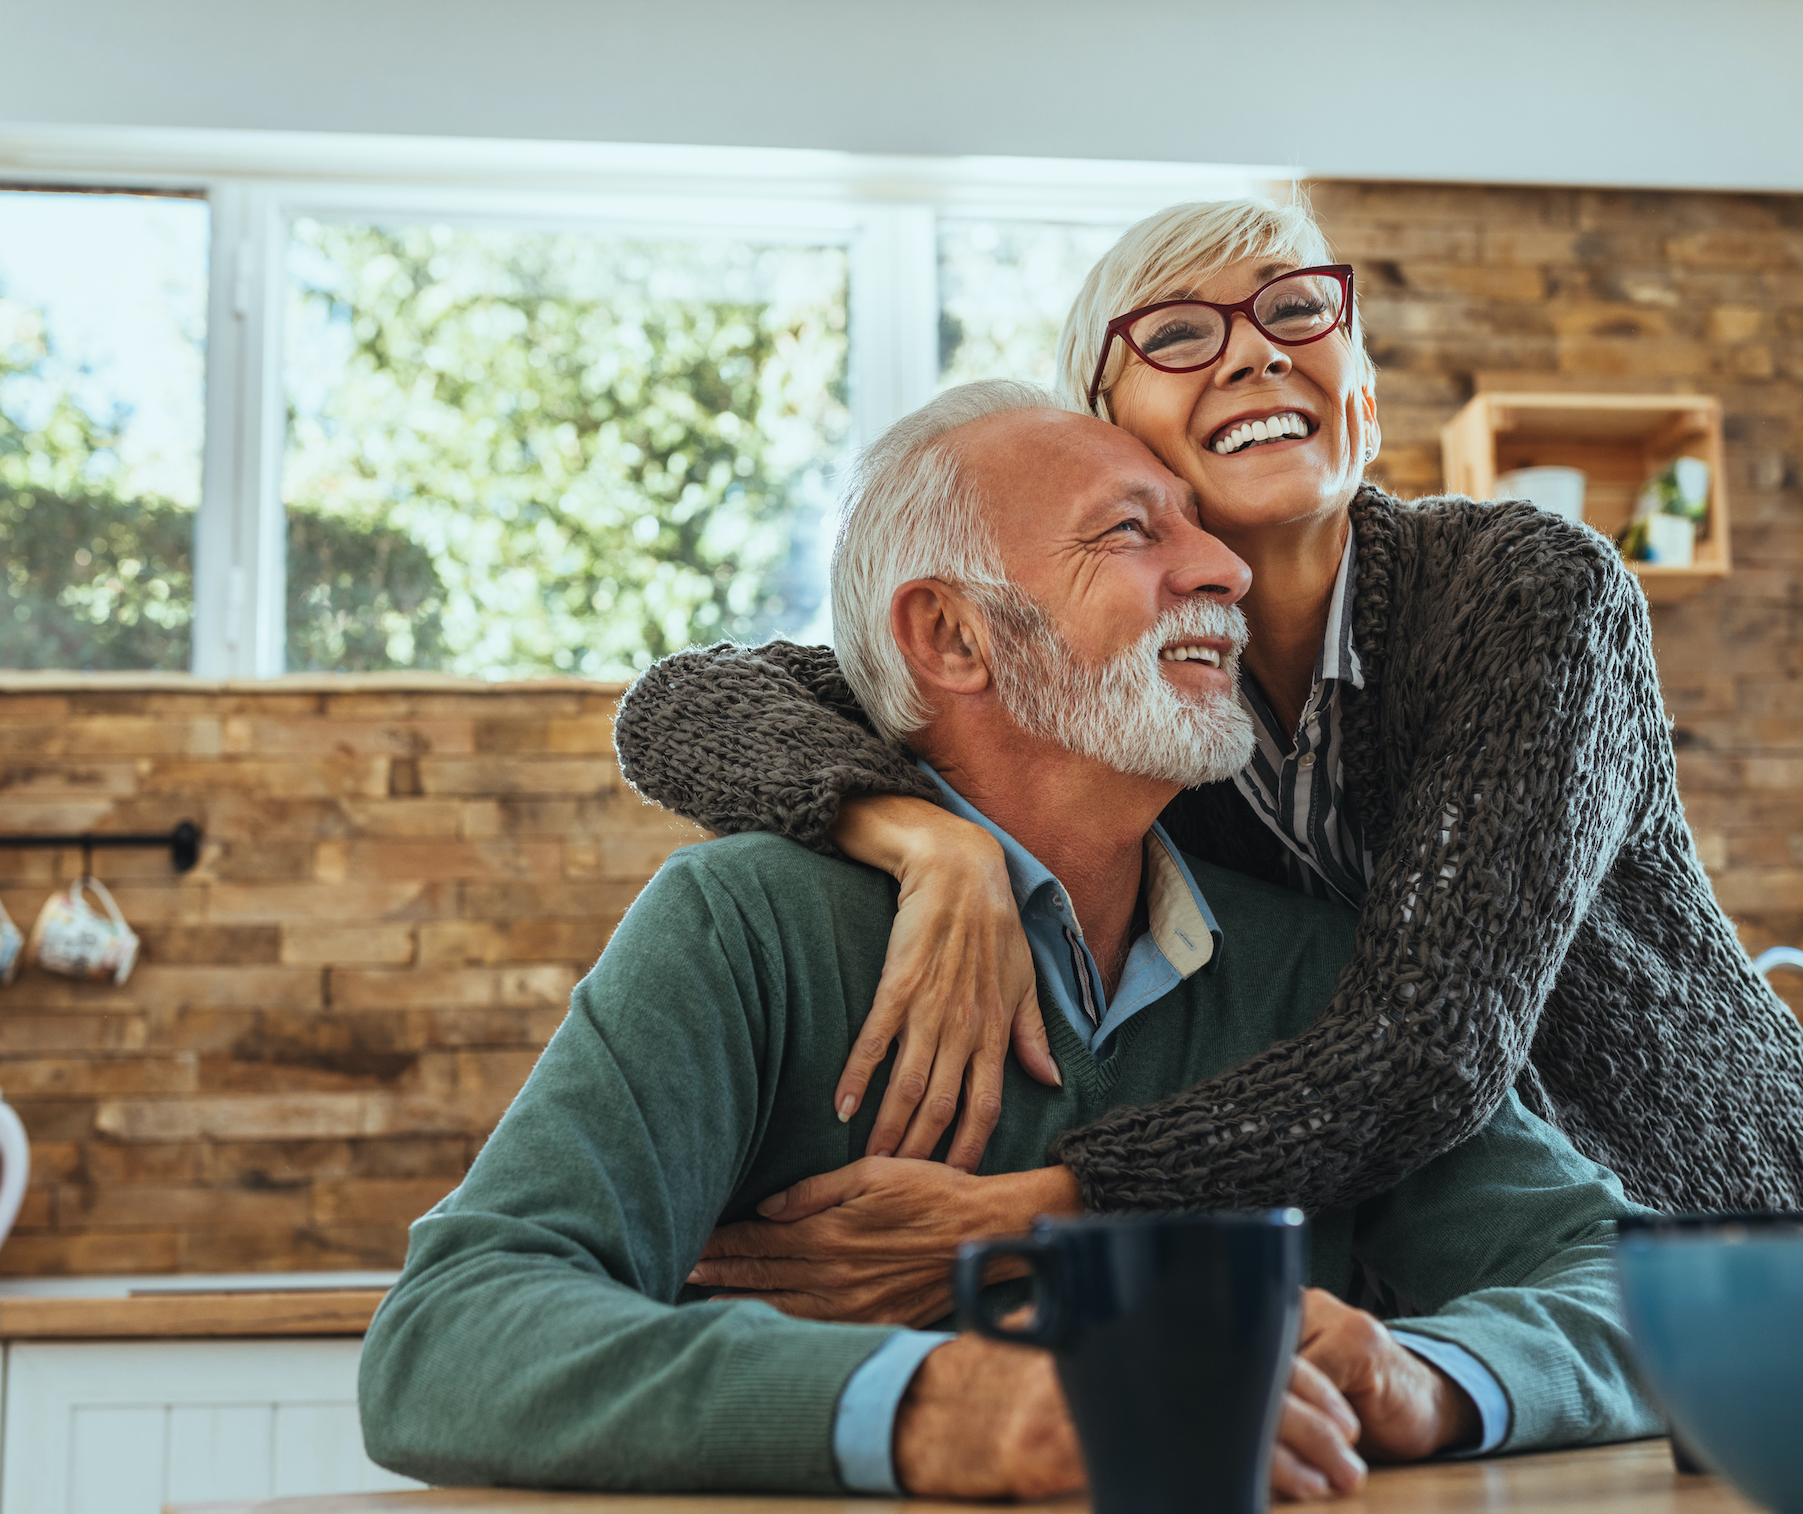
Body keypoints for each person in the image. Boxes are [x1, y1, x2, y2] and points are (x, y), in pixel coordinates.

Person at [360, 387, 1656, 1502]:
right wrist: (946, 1404)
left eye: (1201, 529)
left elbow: (1628, 1290)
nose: (1223, 570)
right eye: (1133, 532)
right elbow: (450, 1336)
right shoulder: (744, 927)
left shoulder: (1316, 969)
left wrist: (1421, 1371)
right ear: (952, 635)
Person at [612, 202, 1803, 1290]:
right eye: (1178, 334)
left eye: (1295, 309)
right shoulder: (1125, 688)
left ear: (1366, 406)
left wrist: (1036, 1212)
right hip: (1443, 1277)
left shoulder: (1527, 589)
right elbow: (686, 702)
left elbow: (1429, 1045)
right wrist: (928, 843)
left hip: (1706, 1230)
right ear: (1106, 434)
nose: (1252, 349)